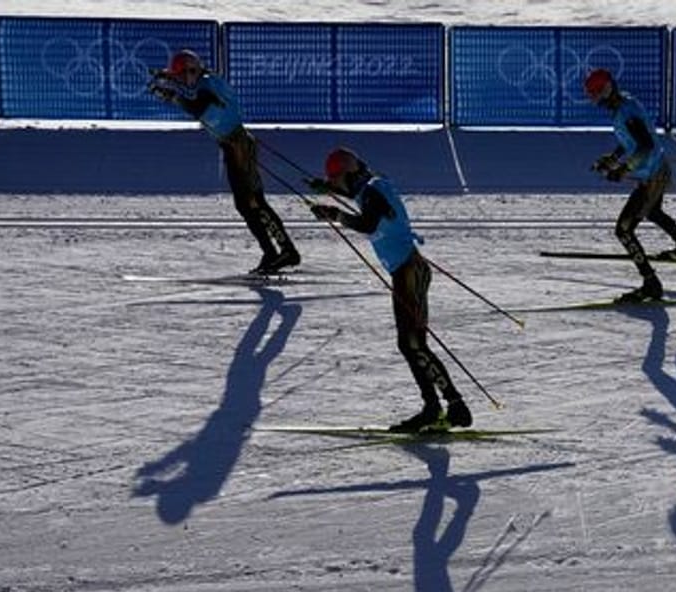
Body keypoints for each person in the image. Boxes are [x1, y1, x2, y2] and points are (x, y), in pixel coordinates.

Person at [308, 147, 471, 433]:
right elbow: (363, 199)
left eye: (335, 180)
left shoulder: (371, 191)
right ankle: (441, 407)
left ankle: (449, 406)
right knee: (411, 344)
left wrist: (334, 214)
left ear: (346, 174)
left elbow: (368, 222)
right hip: (406, 271)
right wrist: (326, 188)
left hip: (409, 272)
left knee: (413, 344)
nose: (336, 186)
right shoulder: (369, 187)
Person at [150, 49, 300, 275]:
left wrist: (172, 95)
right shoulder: (205, 80)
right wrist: (167, 76)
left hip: (237, 145)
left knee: (254, 203)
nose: (182, 80)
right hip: (233, 145)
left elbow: (197, 106)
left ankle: (284, 251)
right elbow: (192, 86)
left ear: (191, 71)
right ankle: (273, 252)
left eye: (182, 76)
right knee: (247, 205)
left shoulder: (207, 86)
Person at [584, 68, 676, 304]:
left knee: (624, 230)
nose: (594, 101)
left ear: (605, 91)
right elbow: (632, 142)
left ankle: (651, 284)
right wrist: (613, 159)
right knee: (653, 212)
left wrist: (623, 170)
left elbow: (644, 145)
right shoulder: (623, 105)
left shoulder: (624, 112)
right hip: (656, 171)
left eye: (595, 95)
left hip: (652, 177)